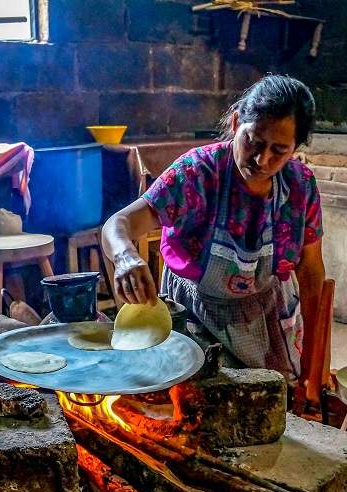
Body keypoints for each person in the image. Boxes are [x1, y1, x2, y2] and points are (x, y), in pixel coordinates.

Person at [101, 74, 325, 382]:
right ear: (235, 124)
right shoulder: (196, 174)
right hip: (196, 313)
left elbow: (312, 272)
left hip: (267, 316)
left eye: (279, 150)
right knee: (195, 398)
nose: (262, 159)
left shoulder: (300, 187)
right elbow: (118, 224)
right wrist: (125, 256)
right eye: (254, 142)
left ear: (295, 148)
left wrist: (314, 365)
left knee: (270, 403)